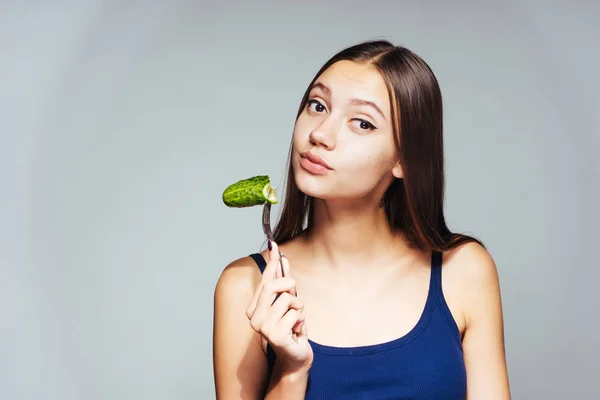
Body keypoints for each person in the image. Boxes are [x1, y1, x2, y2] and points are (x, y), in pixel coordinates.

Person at [213, 39, 511, 399]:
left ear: (403, 160)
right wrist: (291, 371)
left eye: (363, 123)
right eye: (317, 105)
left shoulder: (463, 271)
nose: (319, 134)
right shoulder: (245, 286)